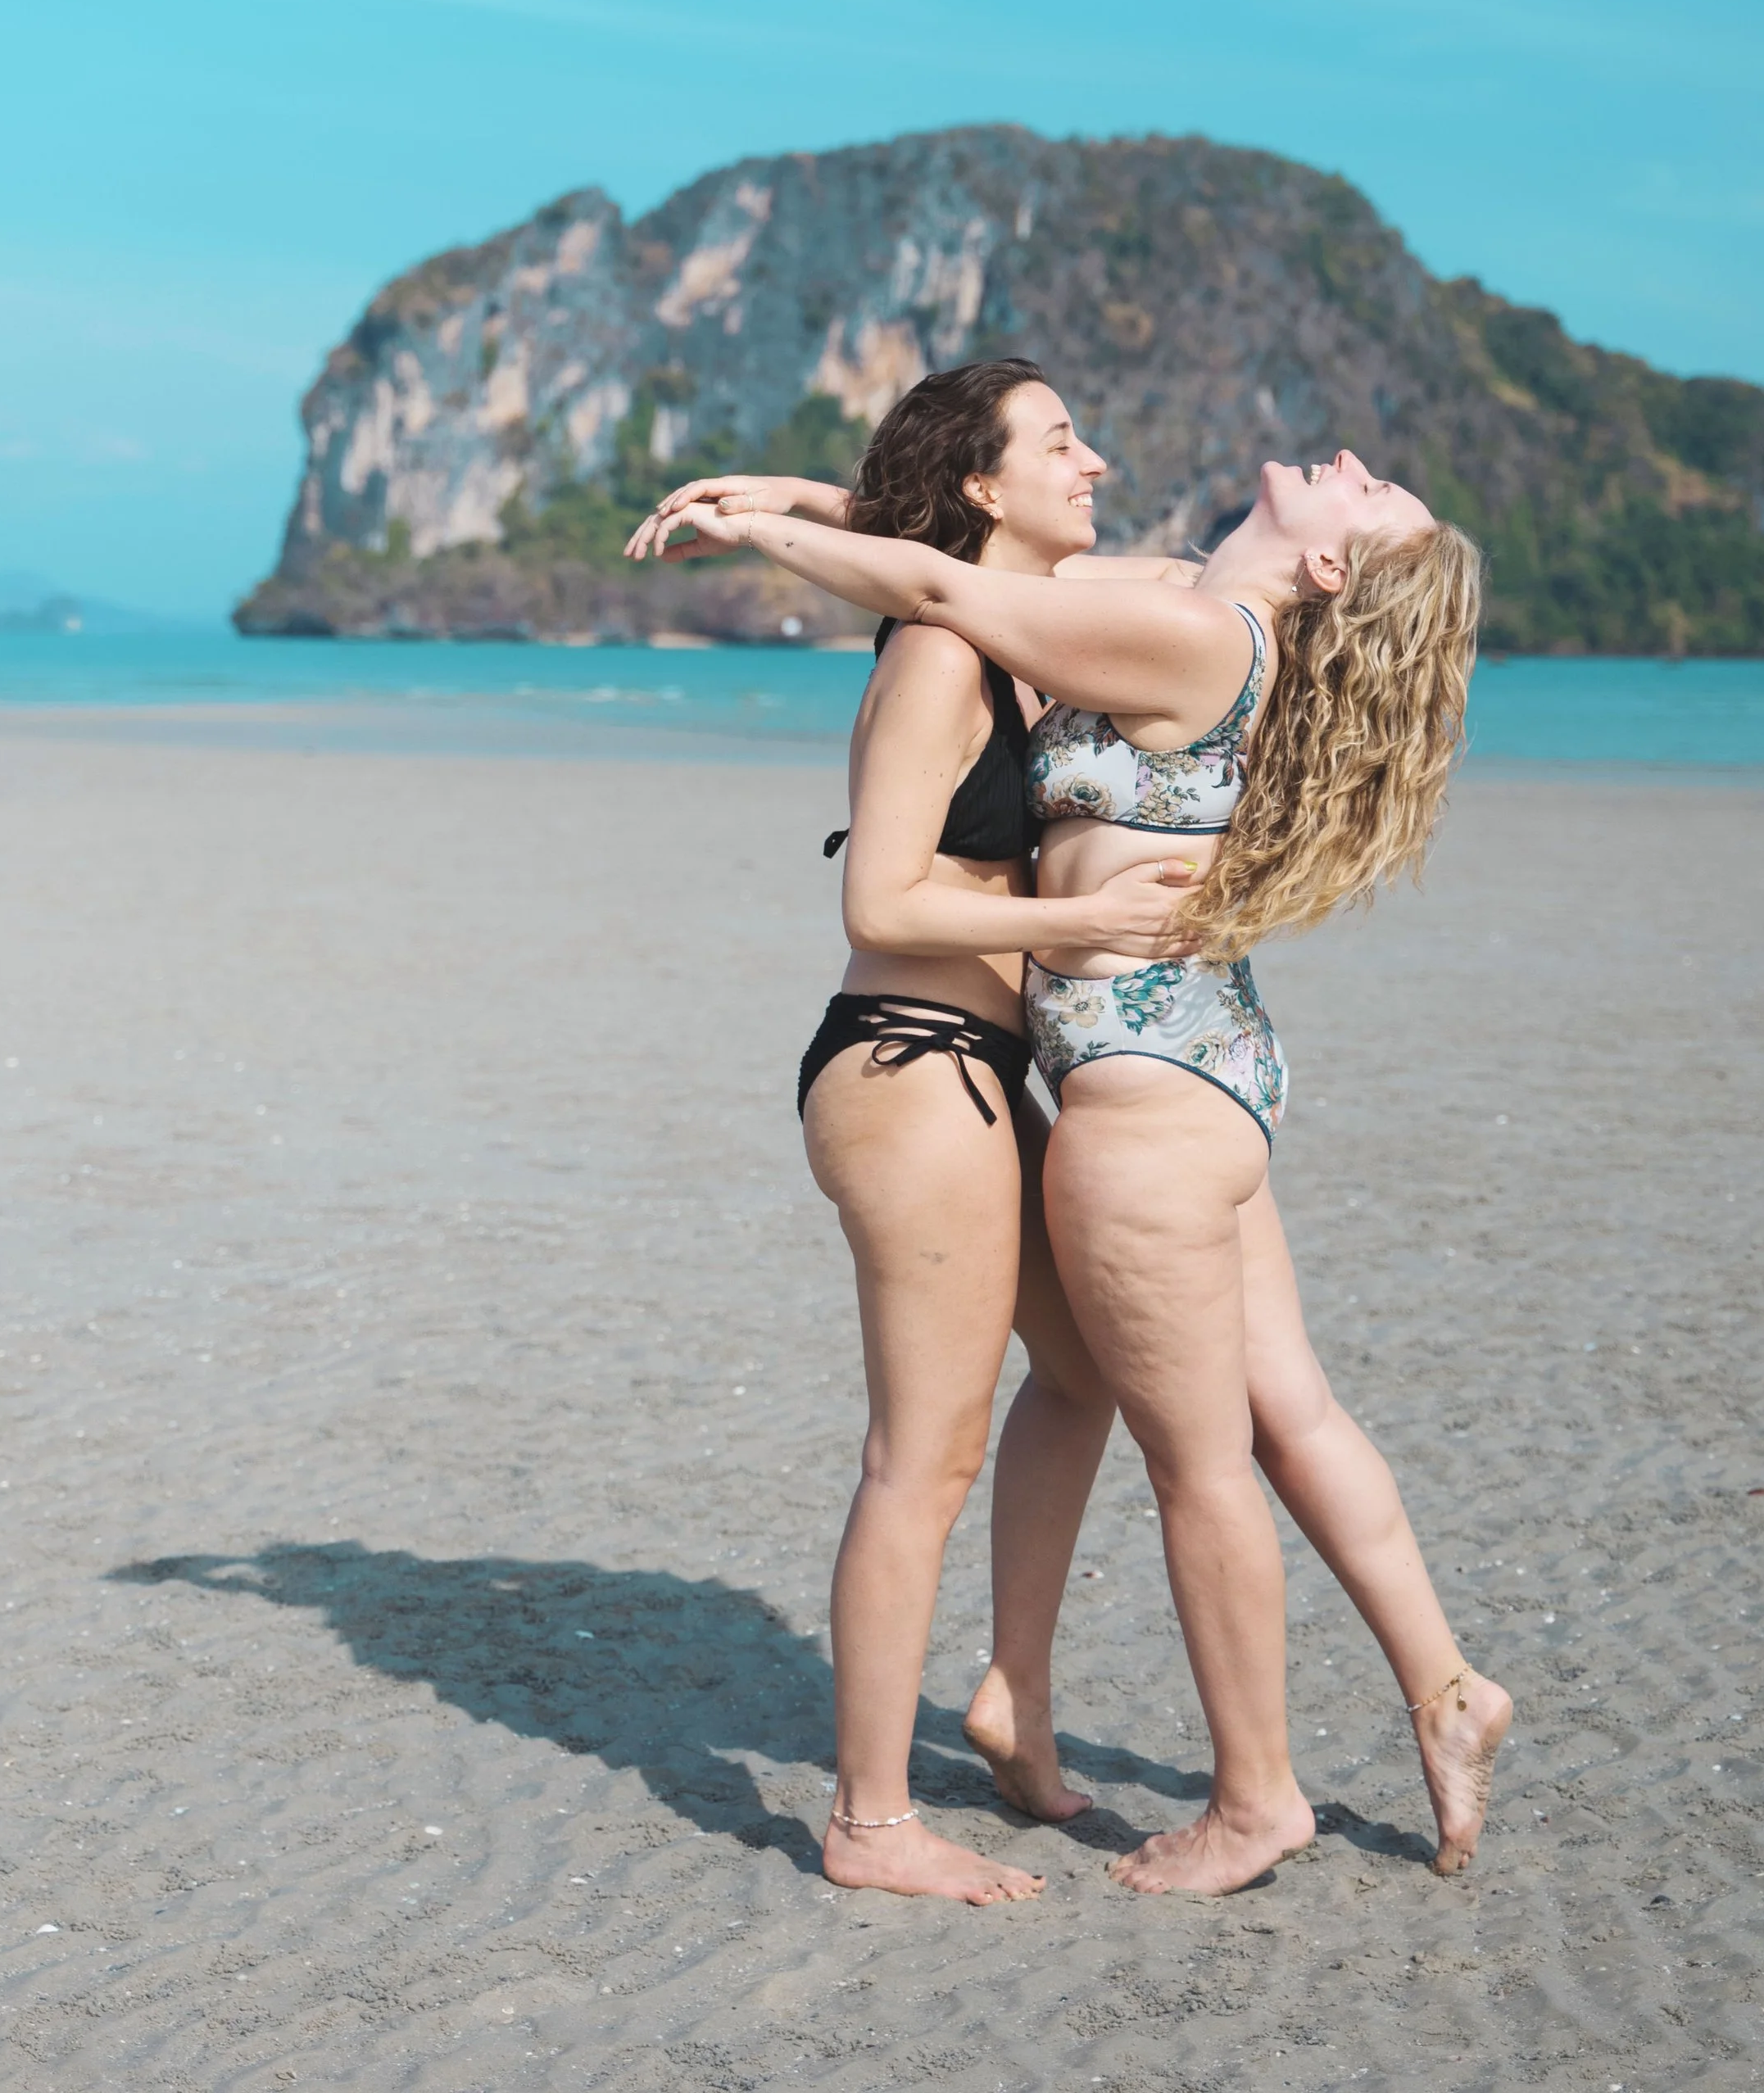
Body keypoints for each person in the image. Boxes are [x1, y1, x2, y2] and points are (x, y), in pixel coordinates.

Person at [633, 435, 1512, 1898]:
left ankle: (1257, 1800)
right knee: (1281, 1407)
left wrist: (764, 539)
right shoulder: (1185, 602)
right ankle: (1442, 1685)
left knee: (1201, 1463)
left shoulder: (1188, 630)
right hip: (1216, 1061)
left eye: (1369, 494)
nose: (1350, 458)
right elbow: (994, 559)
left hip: (1140, 1099)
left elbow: (940, 583)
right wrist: (797, 496)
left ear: (1332, 565)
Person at [648, 362, 1199, 1903]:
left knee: (1083, 1369)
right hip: (910, 1065)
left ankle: (1012, 1697)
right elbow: (879, 898)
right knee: (923, 1457)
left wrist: (790, 500)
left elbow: (1166, 578)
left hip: (972, 1067)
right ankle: (871, 1823)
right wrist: (1088, 918)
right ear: (982, 484)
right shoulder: (940, 667)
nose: (1096, 459)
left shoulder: (1010, 637)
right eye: (1062, 442)